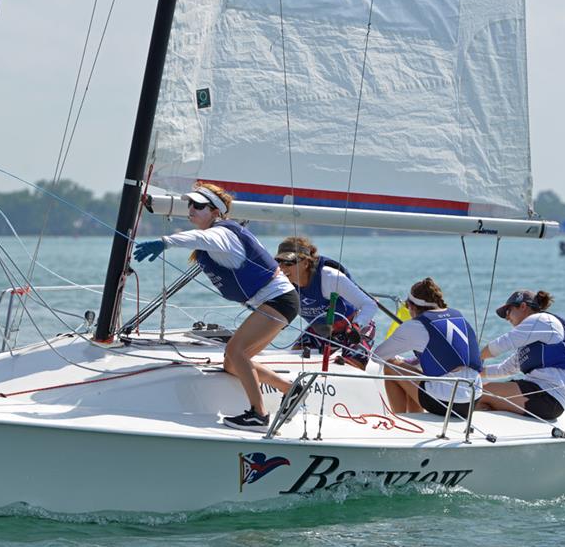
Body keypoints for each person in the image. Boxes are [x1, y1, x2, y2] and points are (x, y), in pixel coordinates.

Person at [133, 182, 305, 432]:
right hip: (275, 302)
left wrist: (165, 242)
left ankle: (259, 415)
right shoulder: (217, 235)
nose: (191, 209)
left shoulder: (220, 233)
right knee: (232, 363)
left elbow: (200, 237)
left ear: (215, 212)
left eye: (199, 206)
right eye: (189, 204)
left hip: (279, 300)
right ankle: (290, 389)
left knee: (237, 352)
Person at [373, 278, 482, 418]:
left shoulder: (416, 326)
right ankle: (416, 417)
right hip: (474, 397)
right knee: (419, 374)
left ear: (412, 306)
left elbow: (378, 356)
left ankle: (399, 420)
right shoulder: (459, 316)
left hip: (445, 402)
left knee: (391, 365)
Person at [275, 236, 377, 368]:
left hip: (352, 329)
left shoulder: (329, 277)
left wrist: (357, 326)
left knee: (354, 365)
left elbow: (370, 305)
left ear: (305, 263)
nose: (282, 268)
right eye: (279, 261)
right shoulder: (281, 283)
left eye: (289, 262)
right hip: (321, 331)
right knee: (294, 360)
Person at [475, 290, 565, 420]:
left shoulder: (542, 320)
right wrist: (476, 371)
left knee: (477, 392)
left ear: (523, 306)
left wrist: (475, 358)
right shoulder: (531, 339)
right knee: (479, 394)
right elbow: (504, 369)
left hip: (548, 397)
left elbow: (502, 343)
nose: (507, 318)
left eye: (508, 312)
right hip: (543, 396)